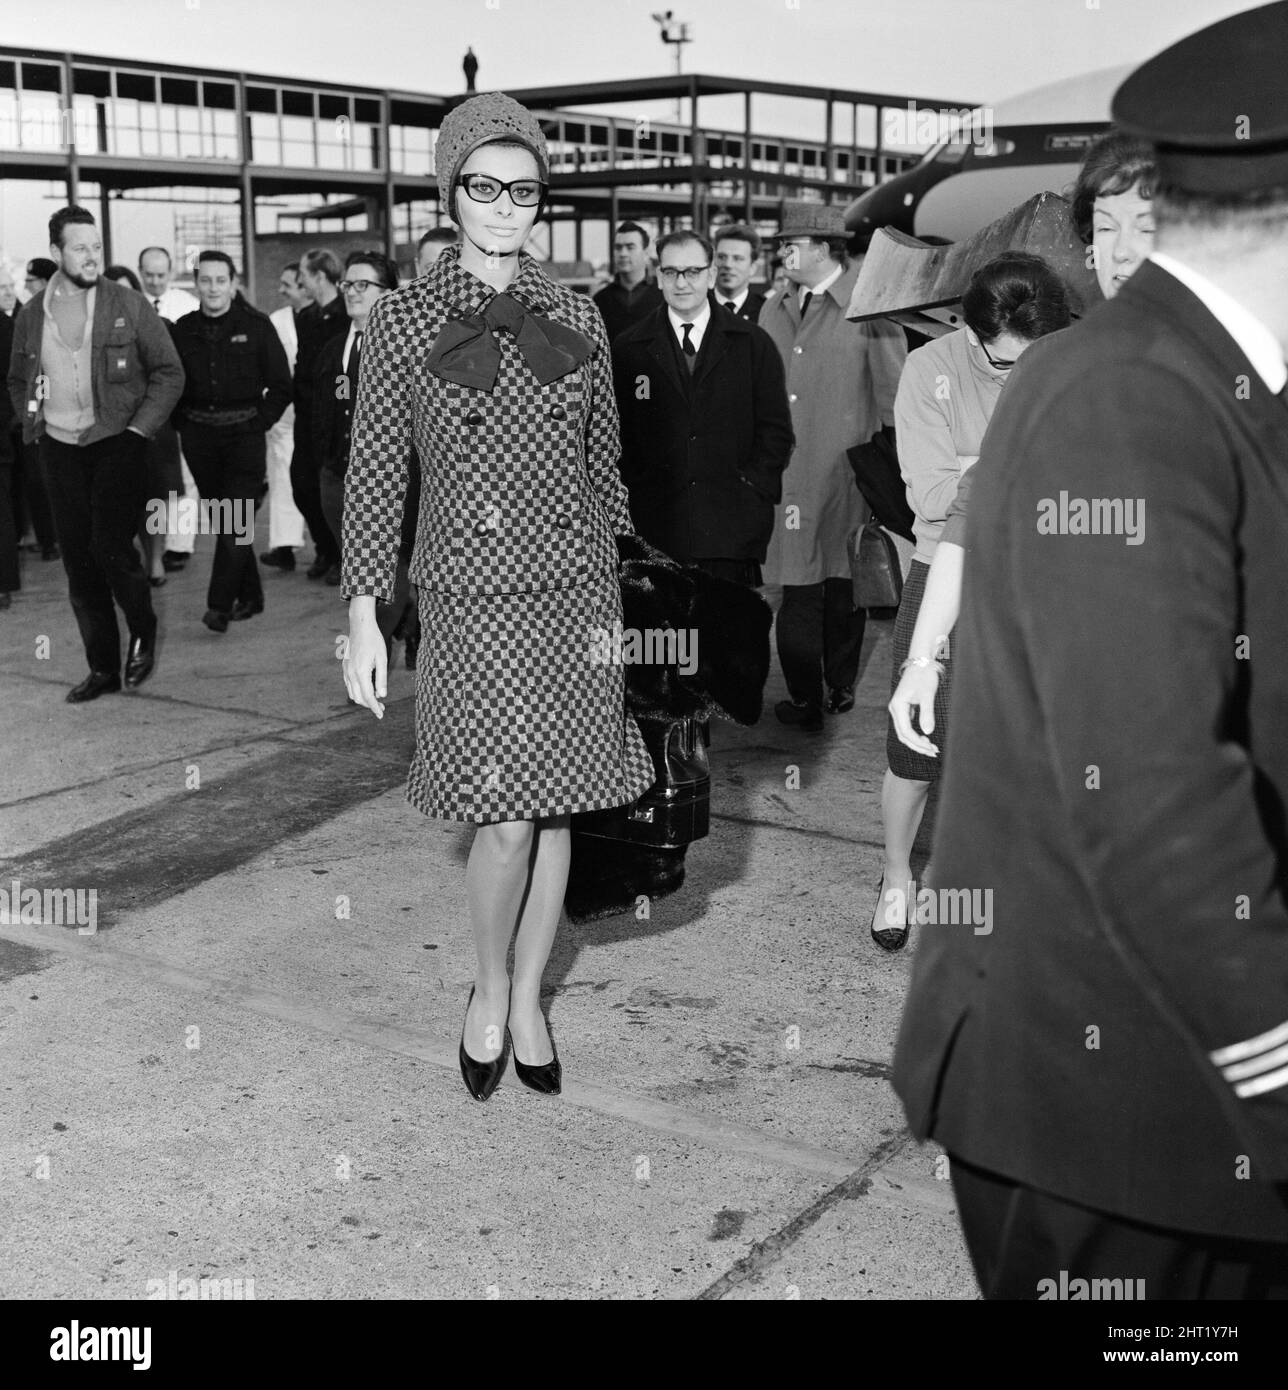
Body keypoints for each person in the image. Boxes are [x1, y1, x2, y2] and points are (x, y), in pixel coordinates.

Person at [892, 1, 1288, 1298]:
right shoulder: (1128, 396)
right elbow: (1158, 803)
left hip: (1171, 1114)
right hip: (1119, 1123)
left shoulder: (1211, 378)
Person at [342, 91, 654, 1103]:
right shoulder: (401, 317)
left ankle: (528, 1000)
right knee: (505, 817)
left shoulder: (576, 312)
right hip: (472, 593)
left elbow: (606, 459)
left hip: (573, 589)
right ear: (452, 190)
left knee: (559, 808)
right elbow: (377, 468)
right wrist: (361, 611)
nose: (506, 208)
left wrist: (616, 564)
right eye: (485, 187)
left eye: (525, 190)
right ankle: (485, 988)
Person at [888, 128, 1157, 761]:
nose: (1123, 252)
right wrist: (923, 658)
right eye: (1106, 230)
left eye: (1147, 225)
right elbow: (969, 508)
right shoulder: (1054, 366)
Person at [872, 253, 1071, 952]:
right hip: (944, 573)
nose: (1017, 374)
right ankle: (897, 876)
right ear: (969, 328)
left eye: (1032, 359)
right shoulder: (931, 371)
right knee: (915, 745)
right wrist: (1019, 466)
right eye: (1000, 361)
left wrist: (976, 466)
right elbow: (930, 500)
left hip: (1043, 576)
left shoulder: (1067, 361)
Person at [6, 206, 183, 701]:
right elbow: (23, 380)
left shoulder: (126, 303)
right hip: (58, 450)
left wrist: (137, 431)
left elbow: (169, 372)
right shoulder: (31, 314)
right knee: (79, 563)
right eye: (80, 247)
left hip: (116, 443)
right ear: (57, 252)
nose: (91, 255)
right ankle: (102, 666)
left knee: (110, 547)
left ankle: (144, 627)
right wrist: (33, 421)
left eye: (96, 246)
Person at [760, 202, 906, 733]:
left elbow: (893, 401)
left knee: (843, 583)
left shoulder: (869, 311)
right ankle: (803, 695)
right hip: (786, 476)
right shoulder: (771, 308)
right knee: (796, 586)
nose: (781, 253)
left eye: (789, 244)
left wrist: (889, 480)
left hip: (847, 478)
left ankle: (840, 683)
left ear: (822, 249)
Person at [611, 229, 792, 586]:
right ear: (657, 276)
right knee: (666, 641)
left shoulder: (752, 344)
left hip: (731, 526)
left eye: (693, 271)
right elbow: (618, 436)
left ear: (710, 275)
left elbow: (776, 431)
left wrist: (752, 488)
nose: (682, 282)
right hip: (656, 528)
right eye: (671, 272)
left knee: (724, 637)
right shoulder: (629, 348)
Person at [169, 251, 291, 632]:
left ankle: (218, 605)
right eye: (205, 280)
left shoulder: (256, 325)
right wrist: (182, 425)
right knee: (228, 521)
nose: (213, 288)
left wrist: (259, 423)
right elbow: (170, 382)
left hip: (244, 438)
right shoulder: (183, 328)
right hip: (199, 438)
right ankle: (252, 596)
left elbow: (282, 386)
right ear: (197, 283)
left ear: (233, 283)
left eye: (221, 280)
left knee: (235, 516)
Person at [315, 250, 416, 660]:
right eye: (347, 284)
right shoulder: (333, 348)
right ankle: (408, 622)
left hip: (391, 482)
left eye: (363, 285)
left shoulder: (406, 349)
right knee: (363, 570)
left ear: (388, 293)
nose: (352, 292)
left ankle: (371, 653)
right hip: (337, 478)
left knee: (387, 570)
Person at [138, 247, 200, 577]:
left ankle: (180, 544)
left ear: (170, 272)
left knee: (184, 478)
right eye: (149, 274)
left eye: (161, 274)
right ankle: (156, 545)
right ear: (140, 271)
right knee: (154, 480)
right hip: (146, 405)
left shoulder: (188, 305)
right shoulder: (131, 304)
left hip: (181, 403)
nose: (155, 281)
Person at [292, 248, 346, 583]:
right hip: (305, 416)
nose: (300, 280)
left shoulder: (344, 316)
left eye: (304, 273)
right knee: (302, 487)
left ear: (319, 276)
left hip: (331, 417)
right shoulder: (306, 316)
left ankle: (340, 556)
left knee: (332, 490)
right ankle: (325, 548)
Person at [259, 262, 309, 572]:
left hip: (316, 410)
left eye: (287, 284)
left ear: (304, 286)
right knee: (282, 477)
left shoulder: (327, 317)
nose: (280, 290)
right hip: (285, 414)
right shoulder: (276, 321)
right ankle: (285, 545)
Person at [593, 222, 663, 343]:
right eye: (618, 247)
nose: (623, 253)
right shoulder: (601, 300)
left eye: (630, 247)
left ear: (645, 252)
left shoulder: (663, 295)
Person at [713, 224, 766, 321]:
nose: (728, 264)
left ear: (753, 267)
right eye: (721, 257)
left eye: (737, 259)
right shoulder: (697, 305)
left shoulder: (766, 311)